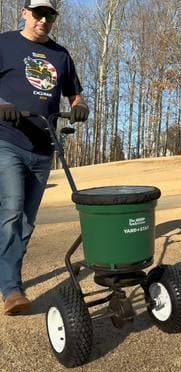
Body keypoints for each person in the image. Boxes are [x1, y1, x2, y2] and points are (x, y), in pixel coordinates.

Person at [0, 0, 89, 315]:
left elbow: (75, 93)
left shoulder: (61, 55)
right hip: (6, 141)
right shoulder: (4, 44)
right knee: (11, 211)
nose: (43, 19)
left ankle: (7, 272)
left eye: (49, 14)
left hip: (43, 146)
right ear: (24, 13)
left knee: (26, 220)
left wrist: (79, 106)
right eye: (38, 13)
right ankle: (12, 289)